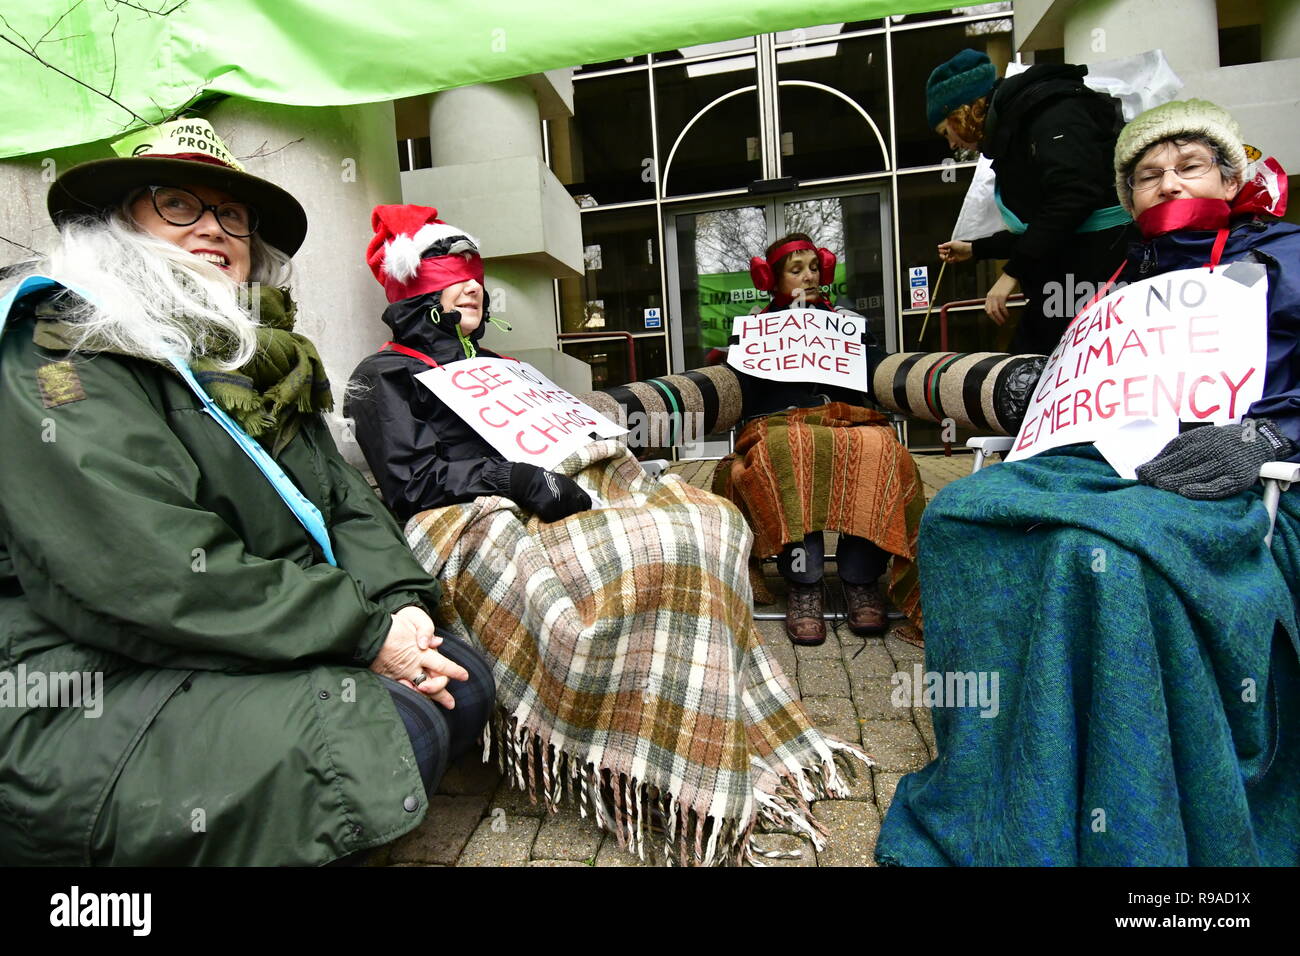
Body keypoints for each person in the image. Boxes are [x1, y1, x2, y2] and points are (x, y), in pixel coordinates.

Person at [0, 119, 494, 866]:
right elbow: (144, 570)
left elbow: (345, 505)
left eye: (232, 215)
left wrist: (401, 607)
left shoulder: (256, 358)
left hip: (236, 634)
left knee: (461, 673)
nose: (214, 228)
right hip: (84, 675)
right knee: (385, 729)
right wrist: (361, 636)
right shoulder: (63, 351)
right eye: (178, 205)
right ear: (117, 224)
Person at [346, 205, 869, 865]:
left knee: (704, 521)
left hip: (552, 489)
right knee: (653, 553)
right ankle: (645, 746)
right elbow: (411, 481)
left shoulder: (500, 365)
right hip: (468, 513)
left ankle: (690, 721)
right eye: (453, 274)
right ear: (414, 287)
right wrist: (517, 481)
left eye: (476, 272)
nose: (473, 285)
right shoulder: (376, 376)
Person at [876, 99, 1300, 866]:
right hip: (1107, 458)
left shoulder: (1284, 253)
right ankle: (1001, 772)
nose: (1168, 183)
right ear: (1128, 194)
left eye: (1189, 164)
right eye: (1147, 173)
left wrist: (1270, 433)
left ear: (1230, 173)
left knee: (1093, 555)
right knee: (959, 518)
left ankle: (1123, 797)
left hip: (1234, 468)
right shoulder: (1118, 274)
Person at [711, 233, 925, 647]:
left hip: (849, 421)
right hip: (780, 424)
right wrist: (734, 358)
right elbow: (740, 389)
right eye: (796, 271)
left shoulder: (846, 324)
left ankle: (860, 579)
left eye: (814, 268)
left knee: (879, 448)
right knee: (790, 450)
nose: (809, 277)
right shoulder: (756, 329)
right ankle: (804, 584)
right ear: (772, 280)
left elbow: (876, 373)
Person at [927, 49, 1134, 354]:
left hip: (1092, 279)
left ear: (963, 112)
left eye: (947, 131)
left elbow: (1073, 198)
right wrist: (977, 249)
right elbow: (1046, 225)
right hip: (1072, 280)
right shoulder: (1023, 120)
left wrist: (1011, 274)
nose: (952, 144)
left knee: (1032, 377)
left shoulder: (1050, 112)